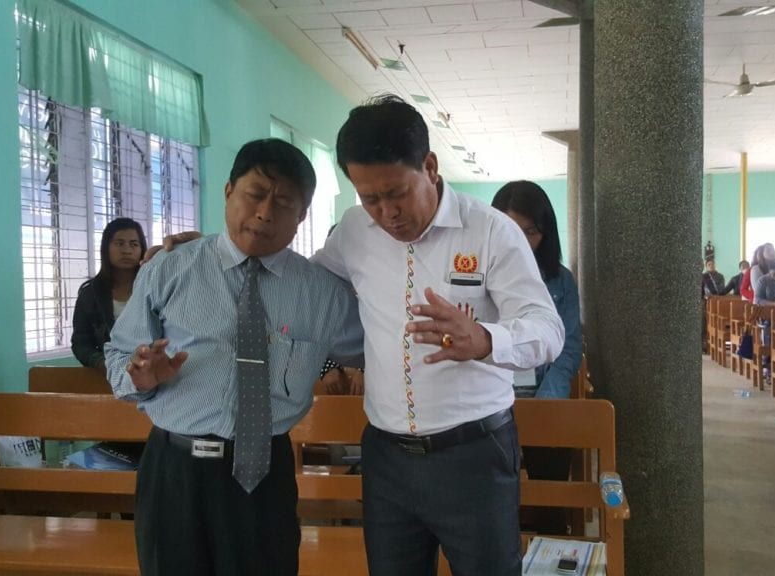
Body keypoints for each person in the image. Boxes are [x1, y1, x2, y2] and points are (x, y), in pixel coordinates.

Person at [313, 95, 564, 576]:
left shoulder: (491, 232)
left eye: (396, 193)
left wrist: (486, 339)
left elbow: (547, 330)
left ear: (429, 166)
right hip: (386, 459)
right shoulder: (353, 231)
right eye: (369, 198)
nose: (386, 213)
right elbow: (307, 288)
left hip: (472, 456)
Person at [105, 139, 363, 576]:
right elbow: (118, 354)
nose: (265, 212)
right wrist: (142, 377)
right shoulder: (169, 268)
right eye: (255, 193)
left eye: (283, 202)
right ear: (228, 192)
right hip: (175, 473)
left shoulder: (323, 294)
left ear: (301, 216)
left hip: (263, 476)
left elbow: (379, 348)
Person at [491, 179, 582, 536]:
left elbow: (569, 347)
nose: (520, 240)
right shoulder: (474, 276)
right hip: (490, 402)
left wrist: (546, 402)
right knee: (491, 497)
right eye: (510, 228)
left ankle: (550, 545)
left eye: (530, 231)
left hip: (544, 395)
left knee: (550, 493)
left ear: (545, 232)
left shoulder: (561, 282)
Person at [71, 218, 147, 371]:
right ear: (106, 248)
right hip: (108, 375)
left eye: (134, 244)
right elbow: (81, 343)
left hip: (153, 372)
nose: (127, 250)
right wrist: (104, 364)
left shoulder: (155, 287)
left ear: (142, 249)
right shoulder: (90, 294)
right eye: (119, 243)